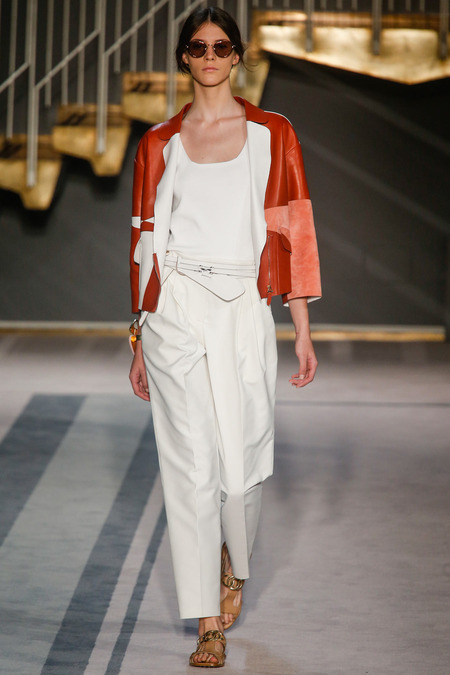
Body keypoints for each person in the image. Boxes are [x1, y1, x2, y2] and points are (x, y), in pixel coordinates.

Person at [129, 6, 321, 668]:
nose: (209, 56)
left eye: (220, 46)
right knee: (190, 467)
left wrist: (301, 328)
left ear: (238, 56)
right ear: (184, 57)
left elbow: (294, 230)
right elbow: (145, 242)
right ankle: (207, 621)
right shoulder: (158, 142)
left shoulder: (273, 132)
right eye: (197, 47)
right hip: (175, 308)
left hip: (243, 304)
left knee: (241, 472)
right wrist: (138, 334)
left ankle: (234, 564)